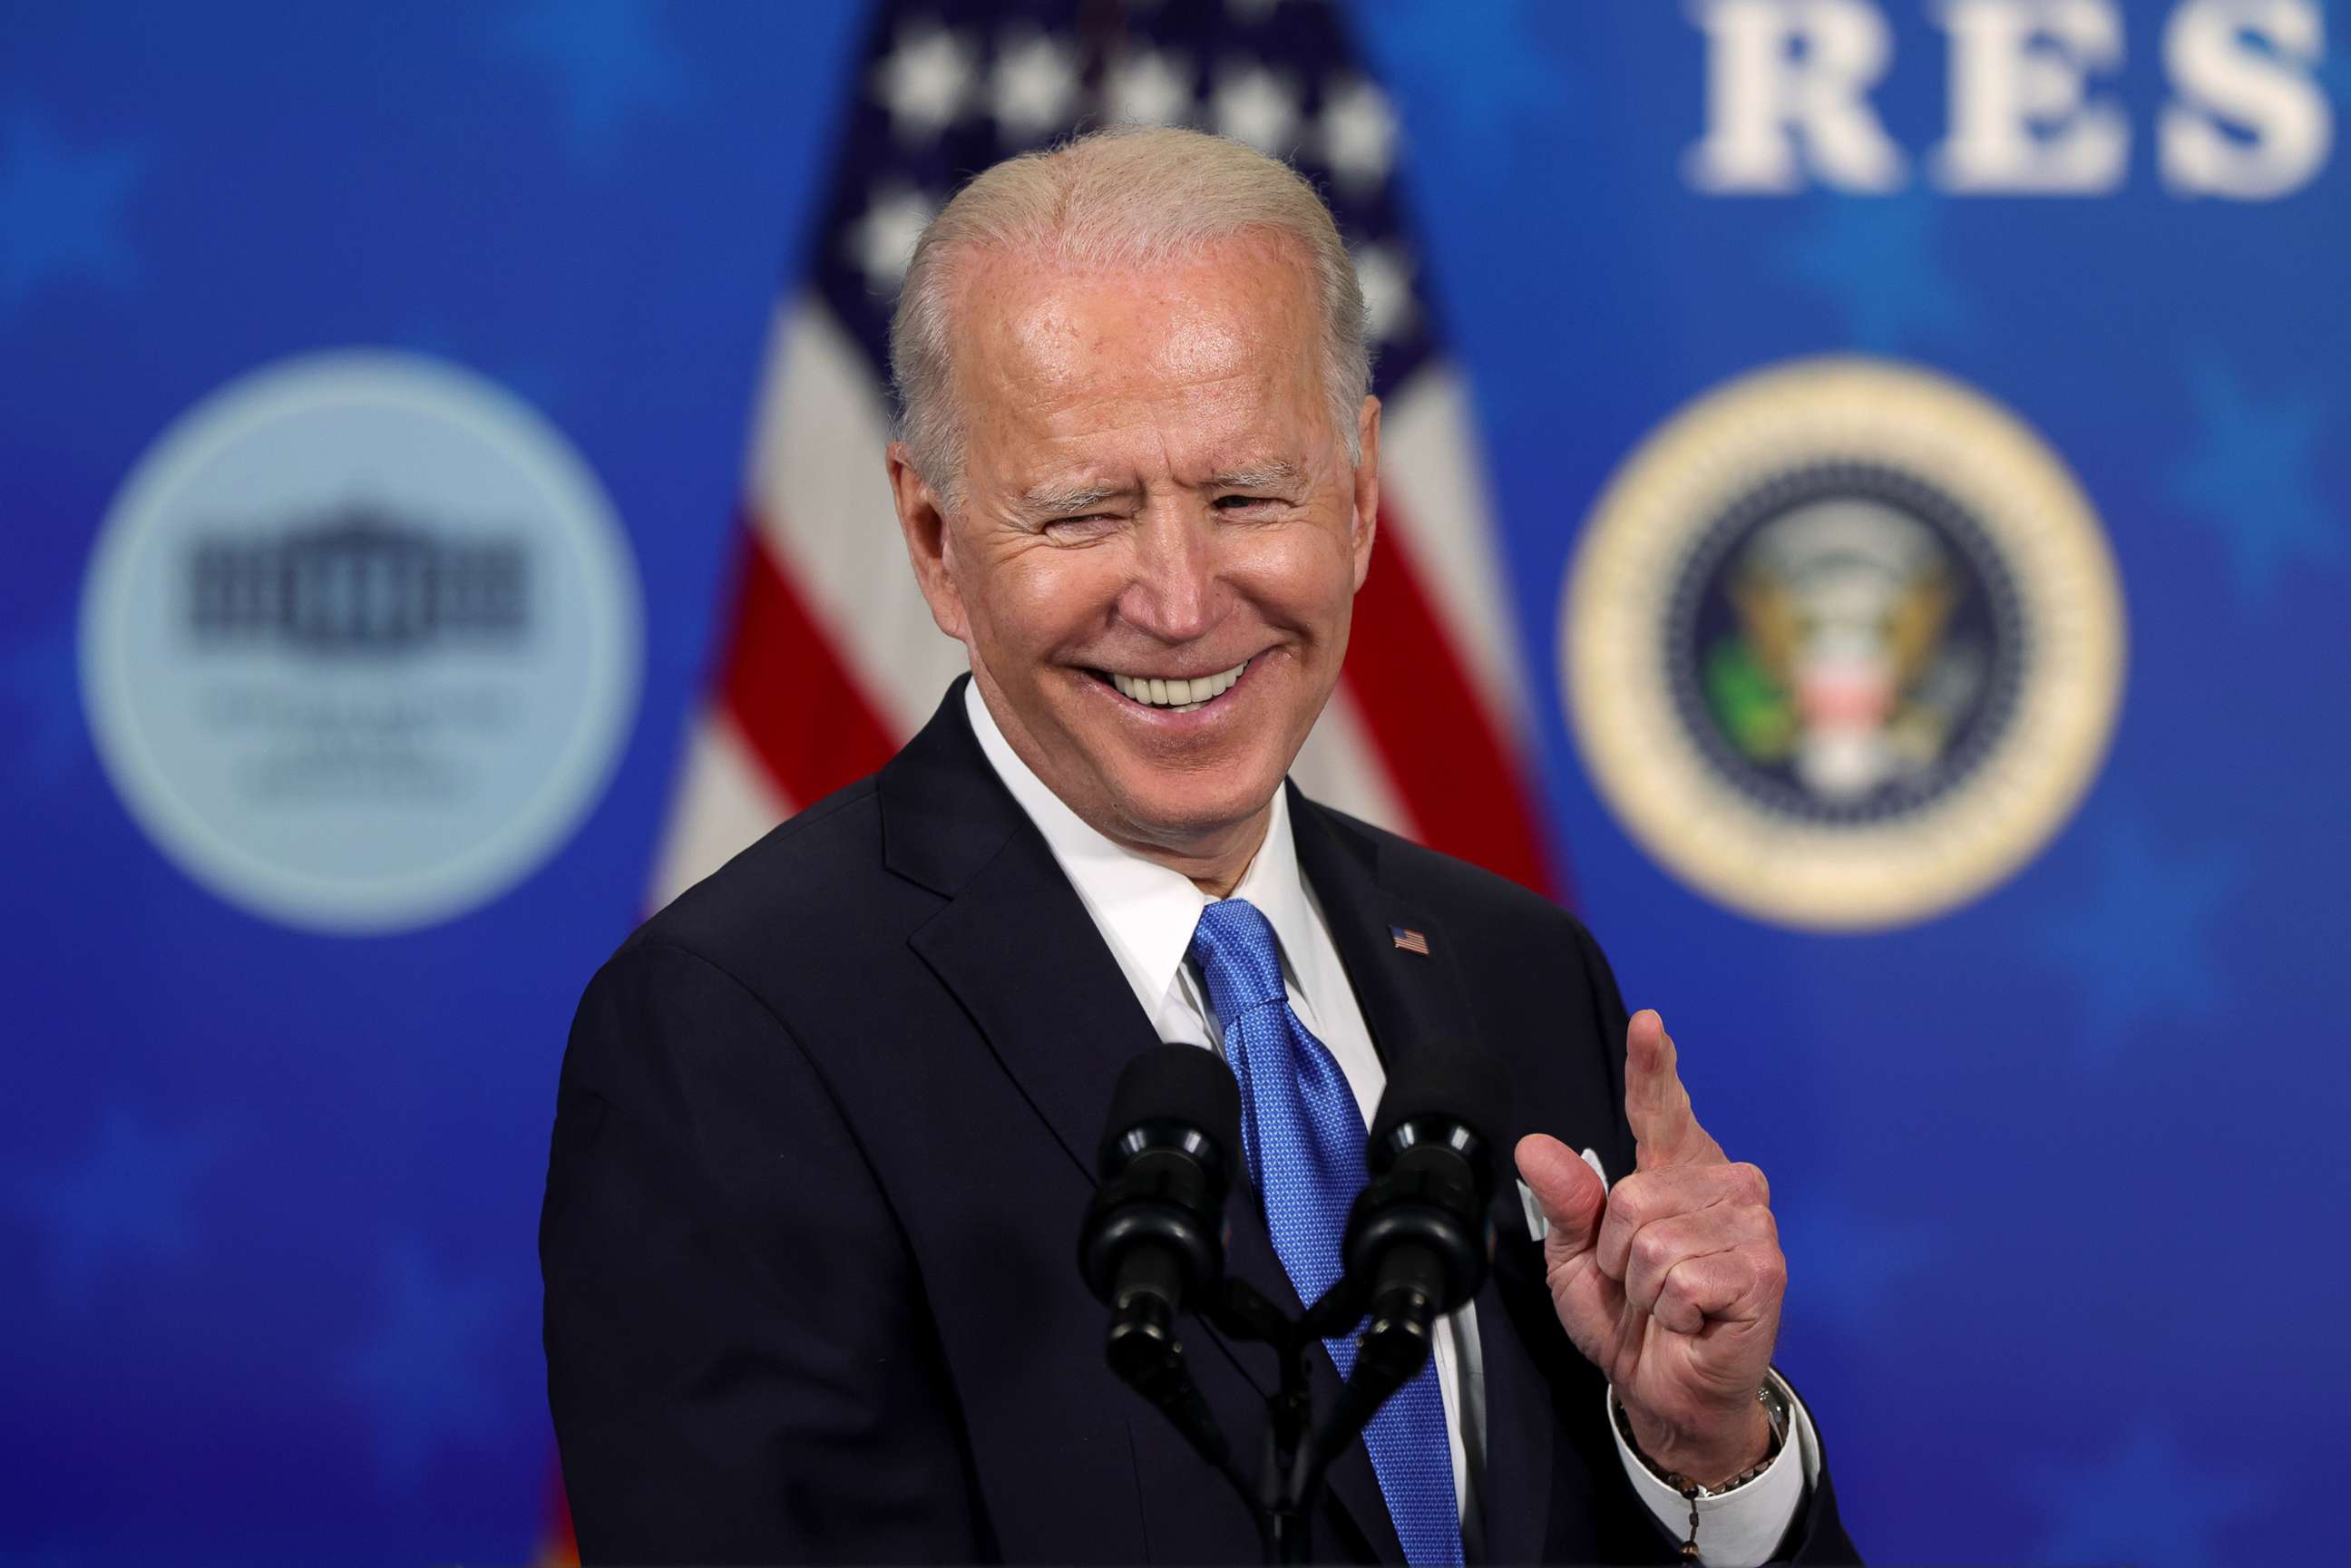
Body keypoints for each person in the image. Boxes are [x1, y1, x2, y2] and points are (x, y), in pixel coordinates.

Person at [541, 126, 1857, 1567]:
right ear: (932, 535)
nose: (1178, 603)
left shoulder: (1516, 969)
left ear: (1359, 494)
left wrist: (1705, 1460)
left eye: (1245, 496)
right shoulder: (737, 1030)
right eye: (1085, 511)